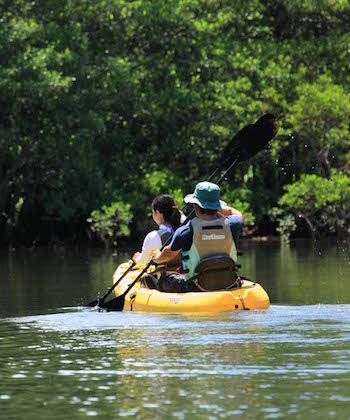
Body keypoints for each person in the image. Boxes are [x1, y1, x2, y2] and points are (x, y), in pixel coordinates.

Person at [150, 181, 243, 293]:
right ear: (217, 206)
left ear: (196, 205)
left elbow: (167, 255)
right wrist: (214, 205)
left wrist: (157, 257)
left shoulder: (186, 230)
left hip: (196, 287)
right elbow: (236, 213)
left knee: (164, 278)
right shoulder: (233, 224)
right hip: (230, 283)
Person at [132, 194, 182, 267]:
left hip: (165, 276)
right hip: (184, 274)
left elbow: (143, 262)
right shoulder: (185, 230)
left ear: (158, 213)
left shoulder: (152, 236)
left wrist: (137, 258)